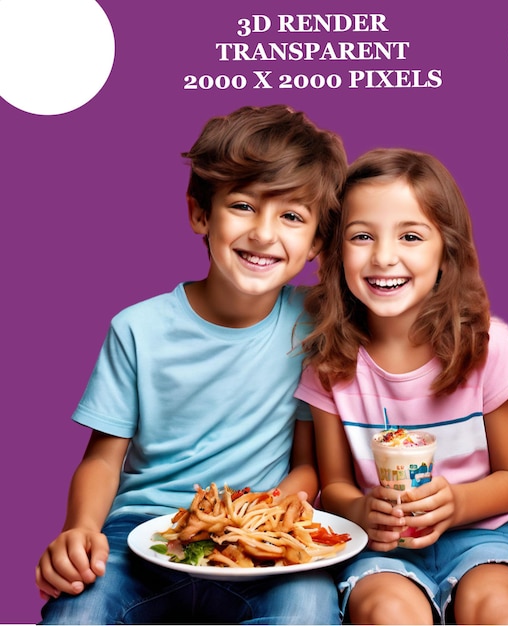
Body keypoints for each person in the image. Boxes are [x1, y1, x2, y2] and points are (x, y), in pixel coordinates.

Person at [35, 104, 347, 625]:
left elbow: (306, 463)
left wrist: (263, 519)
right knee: (76, 614)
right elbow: (103, 459)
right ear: (201, 213)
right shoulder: (137, 328)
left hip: (265, 545)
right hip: (140, 538)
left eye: (291, 216)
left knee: (308, 609)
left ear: (316, 242)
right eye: (244, 206)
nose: (265, 233)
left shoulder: (314, 324)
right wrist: (80, 528)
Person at [295, 148, 508, 625]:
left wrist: (457, 502)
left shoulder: (485, 346)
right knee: (387, 612)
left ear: (447, 249)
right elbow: (333, 485)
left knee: (499, 609)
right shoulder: (330, 361)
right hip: (380, 547)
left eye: (411, 236)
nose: (383, 256)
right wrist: (361, 506)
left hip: (479, 535)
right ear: (338, 253)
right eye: (362, 236)